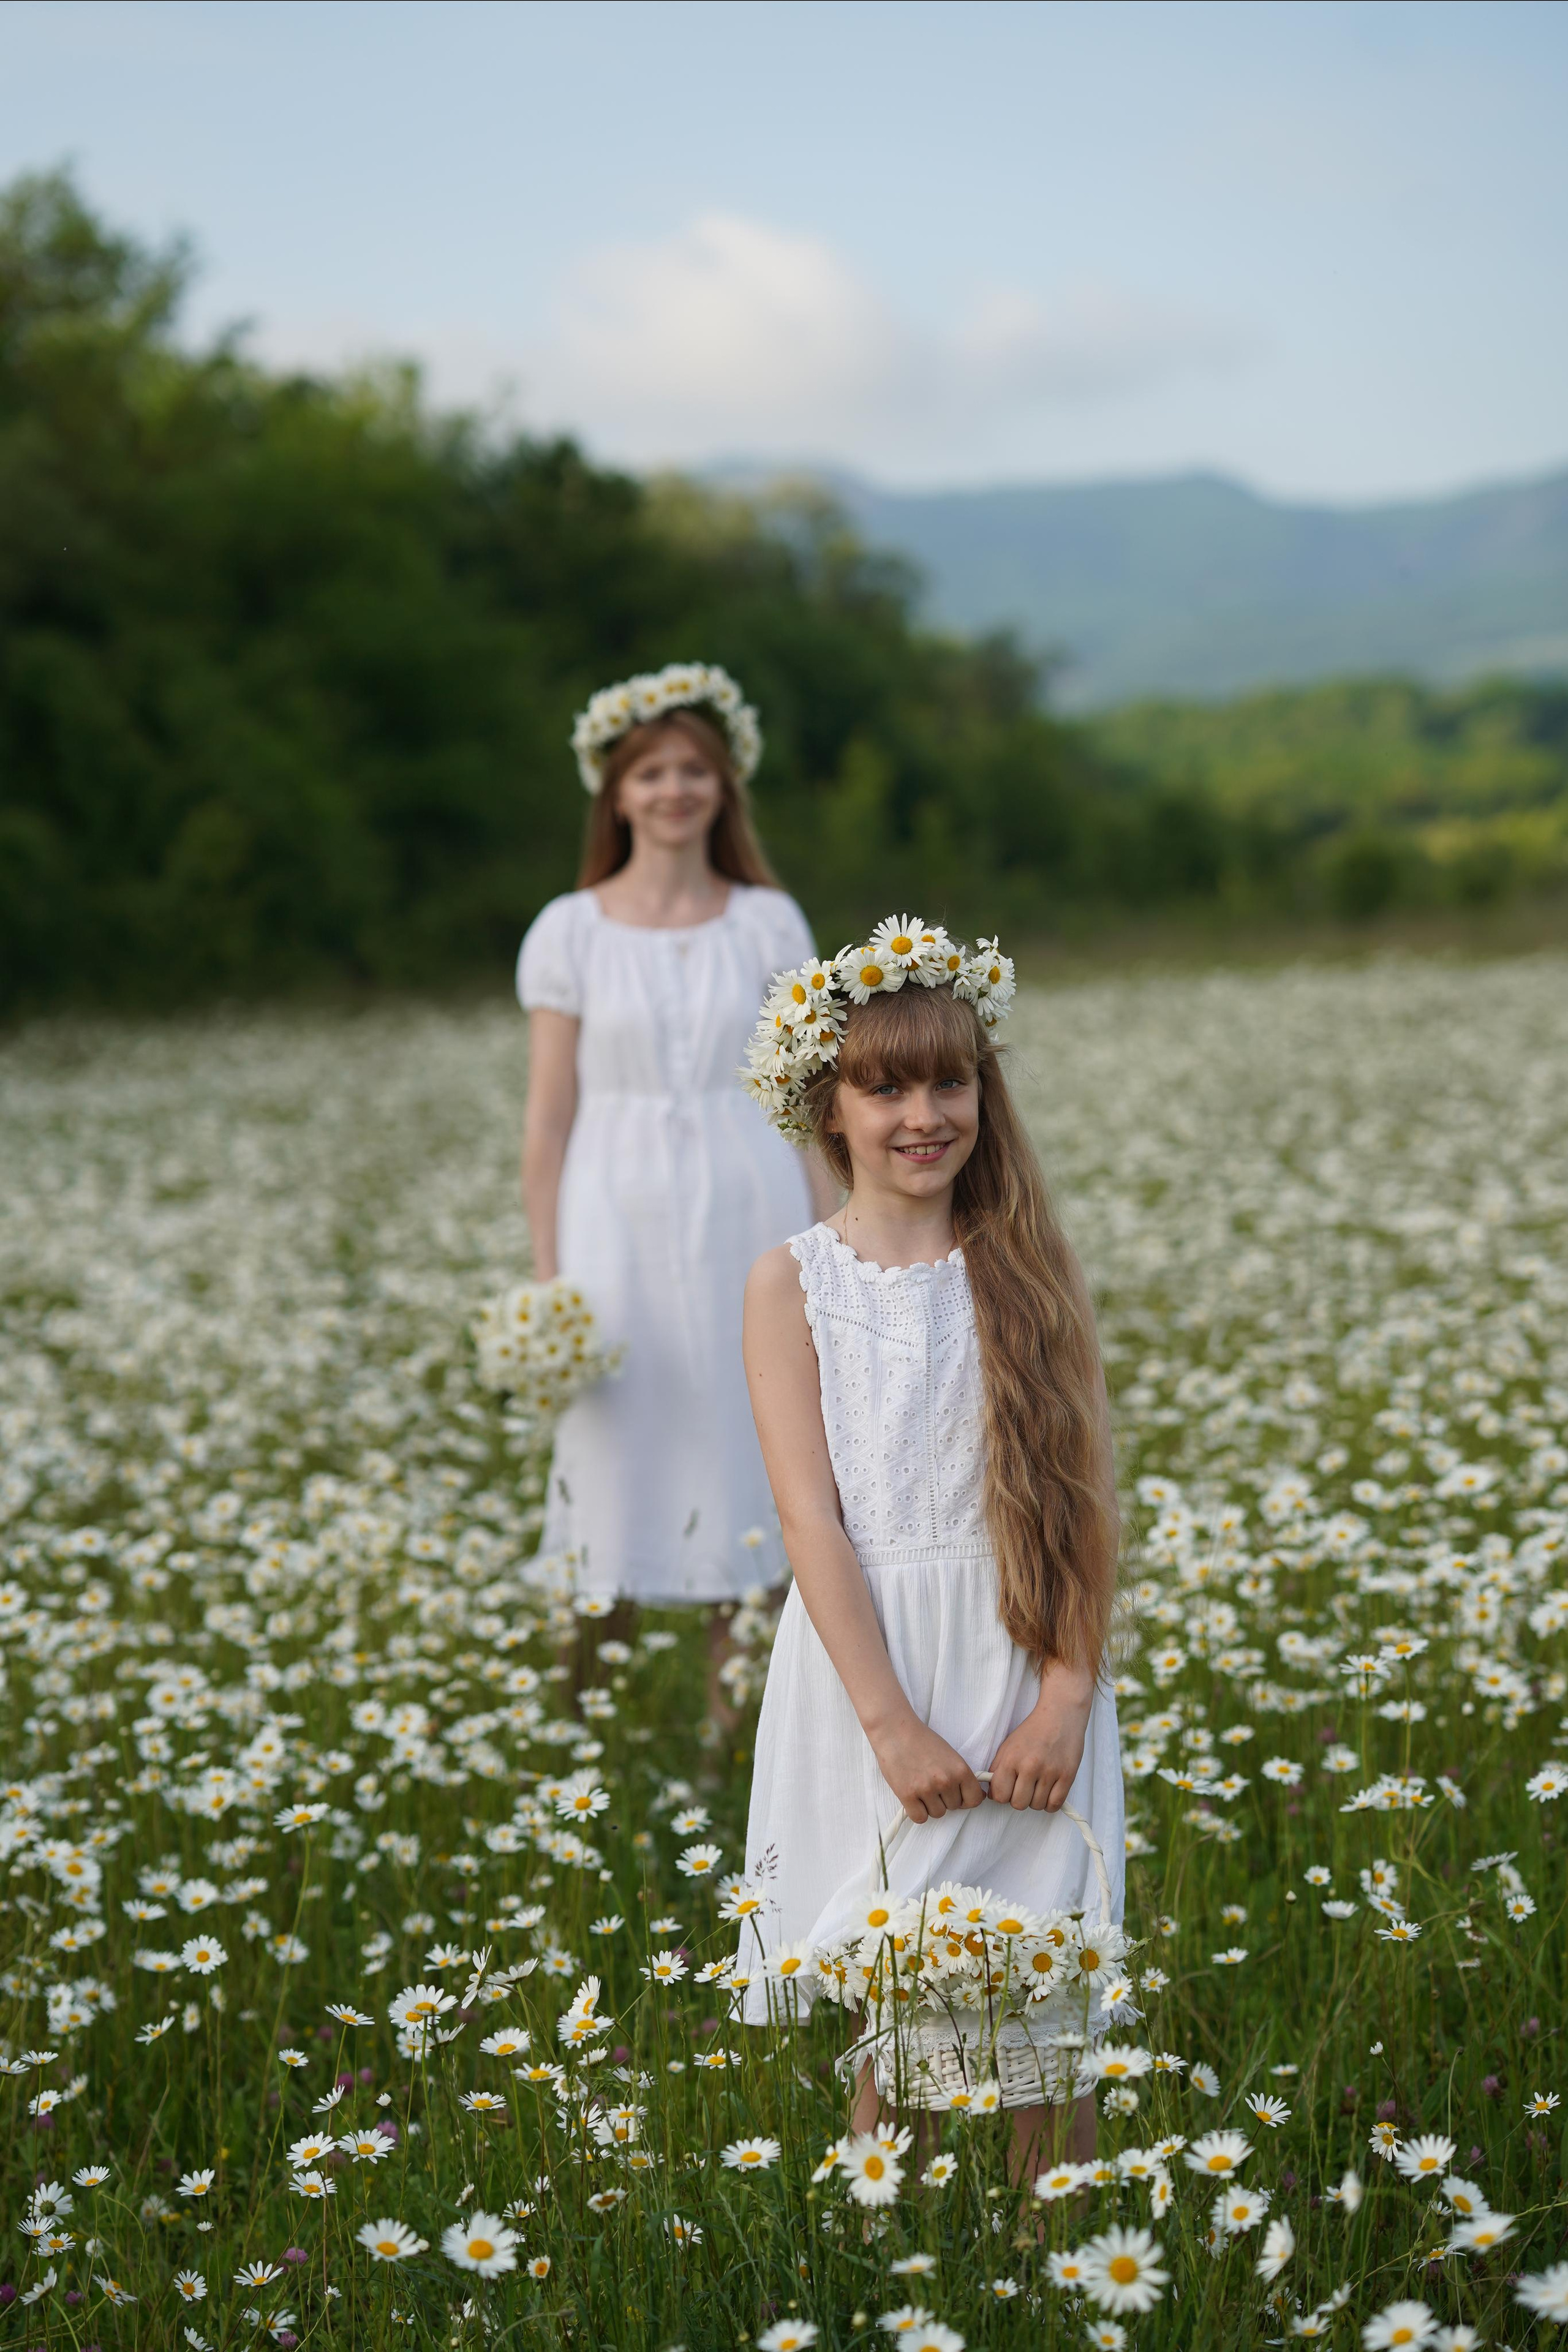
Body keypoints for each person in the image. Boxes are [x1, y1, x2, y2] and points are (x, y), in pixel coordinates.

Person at [736, 918, 1124, 2177]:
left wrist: (1064, 1696)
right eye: (883, 1084)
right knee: (894, 2005)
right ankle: (876, 2270)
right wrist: (890, 1725)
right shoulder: (789, 1284)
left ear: (980, 1090)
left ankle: (1054, 2269)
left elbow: (1082, 1499)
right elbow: (812, 1524)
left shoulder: (1024, 1263)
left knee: (1042, 2022)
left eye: (945, 1081)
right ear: (825, 1105)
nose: (921, 1113)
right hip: (871, 1676)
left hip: (1021, 1658)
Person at [516, 663, 838, 1708]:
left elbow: (802, 1098)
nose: (673, 790)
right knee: (611, 1453)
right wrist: (549, 1281)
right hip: (611, 1213)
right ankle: (574, 1714)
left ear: (724, 787)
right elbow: (549, 1116)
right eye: (651, 771)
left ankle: (732, 1731)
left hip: (747, 1197)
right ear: (615, 793)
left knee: (750, 1443)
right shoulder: (570, 929)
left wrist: (836, 1234)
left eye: (693, 770)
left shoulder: (766, 923)